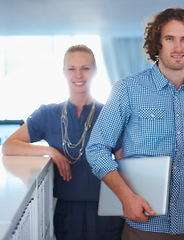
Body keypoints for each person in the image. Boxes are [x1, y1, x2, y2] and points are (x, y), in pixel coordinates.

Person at [86, 7, 184, 240]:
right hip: (146, 223)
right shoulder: (127, 89)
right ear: (157, 43)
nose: (178, 48)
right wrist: (125, 197)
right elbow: (96, 149)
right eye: (170, 39)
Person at [2, 45, 124, 240]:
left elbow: (124, 163)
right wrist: (49, 151)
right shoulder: (47, 114)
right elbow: (9, 146)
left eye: (85, 68)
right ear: (63, 72)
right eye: (71, 68)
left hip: (107, 211)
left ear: (95, 71)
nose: (78, 75)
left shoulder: (109, 114)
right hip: (66, 213)